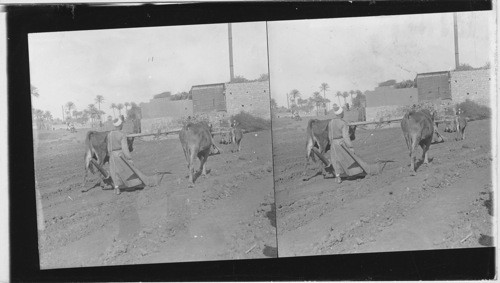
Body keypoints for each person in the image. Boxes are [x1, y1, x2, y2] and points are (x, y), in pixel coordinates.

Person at [107, 117, 163, 195]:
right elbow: (125, 148)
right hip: (120, 155)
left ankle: (117, 188)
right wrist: (129, 158)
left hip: (112, 156)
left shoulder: (110, 134)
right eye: (122, 124)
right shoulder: (121, 134)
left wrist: (111, 156)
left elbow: (109, 148)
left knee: (114, 172)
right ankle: (133, 184)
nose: (122, 125)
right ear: (120, 125)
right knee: (129, 170)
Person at [328, 105, 377, 183]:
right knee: (350, 158)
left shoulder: (331, 122)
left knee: (335, 160)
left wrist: (332, 144)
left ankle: (338, 177)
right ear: (341, 114)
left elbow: (330, 135)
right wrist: (350, 146)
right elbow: (346, 136)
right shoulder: (342, 123)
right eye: (343, 112)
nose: (343, 113)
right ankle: (355, 172)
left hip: (333, 144)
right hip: (341, 143)